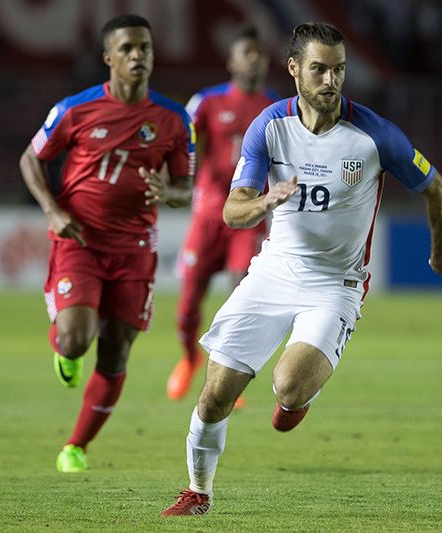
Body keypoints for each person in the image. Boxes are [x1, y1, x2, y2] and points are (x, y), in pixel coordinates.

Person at [160, 22, 442, 516]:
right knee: (215, 394)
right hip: (273, 273)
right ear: (294, 69)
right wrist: (263, 201)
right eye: (319, 69)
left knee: (289, 385)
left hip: (336, 286)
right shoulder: (269, 126)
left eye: (339, 70)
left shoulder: (374, 134)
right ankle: (198, 492)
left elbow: (439, 190)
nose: (331, 80)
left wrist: (441, 254)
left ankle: (296, 399)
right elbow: (231, 211)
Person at [19, 13, 195, 473]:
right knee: (78, 340)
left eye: (146, 48)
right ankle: (64, 348)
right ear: (108, 58)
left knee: (116, 350)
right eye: (128, 49)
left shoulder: (174, 120)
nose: (138, 56)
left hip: (136, 249)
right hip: (80, 239)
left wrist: (169, 193)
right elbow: (31, 159)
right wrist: (53, 211)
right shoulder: (74, 110)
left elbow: (186, 188)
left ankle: (75, 446)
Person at [166, 25, 279, 406]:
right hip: (208, 217)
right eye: (247, 52)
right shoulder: (207, 102)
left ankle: (227, 373)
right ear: (231, 61)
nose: (255, 59)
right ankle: (188, 358)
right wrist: (177, 180)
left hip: (248, 217)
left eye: (260, 53)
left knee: (240, 291)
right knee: (189, 303)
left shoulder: (275, 107)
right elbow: (180, 139)